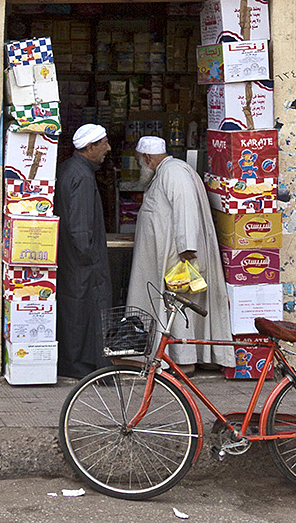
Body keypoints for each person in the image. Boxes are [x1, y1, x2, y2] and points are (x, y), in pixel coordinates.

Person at [126, 136, 234, 375]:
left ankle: (185, 362)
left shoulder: (173, 172)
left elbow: (185, 209)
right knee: (175, 308)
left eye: (139, 161)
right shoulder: (166, 172)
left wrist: (187, 248)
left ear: (146, 158)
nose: (139, 167)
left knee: (180, 309)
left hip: (179, 258)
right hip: (172, 255)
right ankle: (181, 357)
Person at [55, 124, 112, 379]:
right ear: (89, 147)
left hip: (74, 262)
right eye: (103, 144)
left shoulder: (71, 169)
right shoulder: (83, 176)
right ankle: (83, 368)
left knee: (75, 311)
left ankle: (77, 364)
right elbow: (80, 230)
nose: (108, 149)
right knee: (83, 313)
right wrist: (91, 259)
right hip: (83, 265)